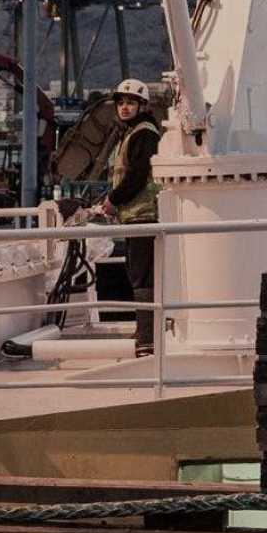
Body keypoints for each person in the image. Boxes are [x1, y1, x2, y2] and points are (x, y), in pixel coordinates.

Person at [90, 79, 163, 352]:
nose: (124, 107)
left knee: (142, 276)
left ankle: (147, 339)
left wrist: (112, 200)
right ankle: (145, 333)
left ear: (142, 106)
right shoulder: (131, 133)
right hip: (134, 216)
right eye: (121, 102)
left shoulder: (144, 134)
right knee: (138, 274)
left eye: (130, 102)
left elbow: (136, 176)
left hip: (144, 215)